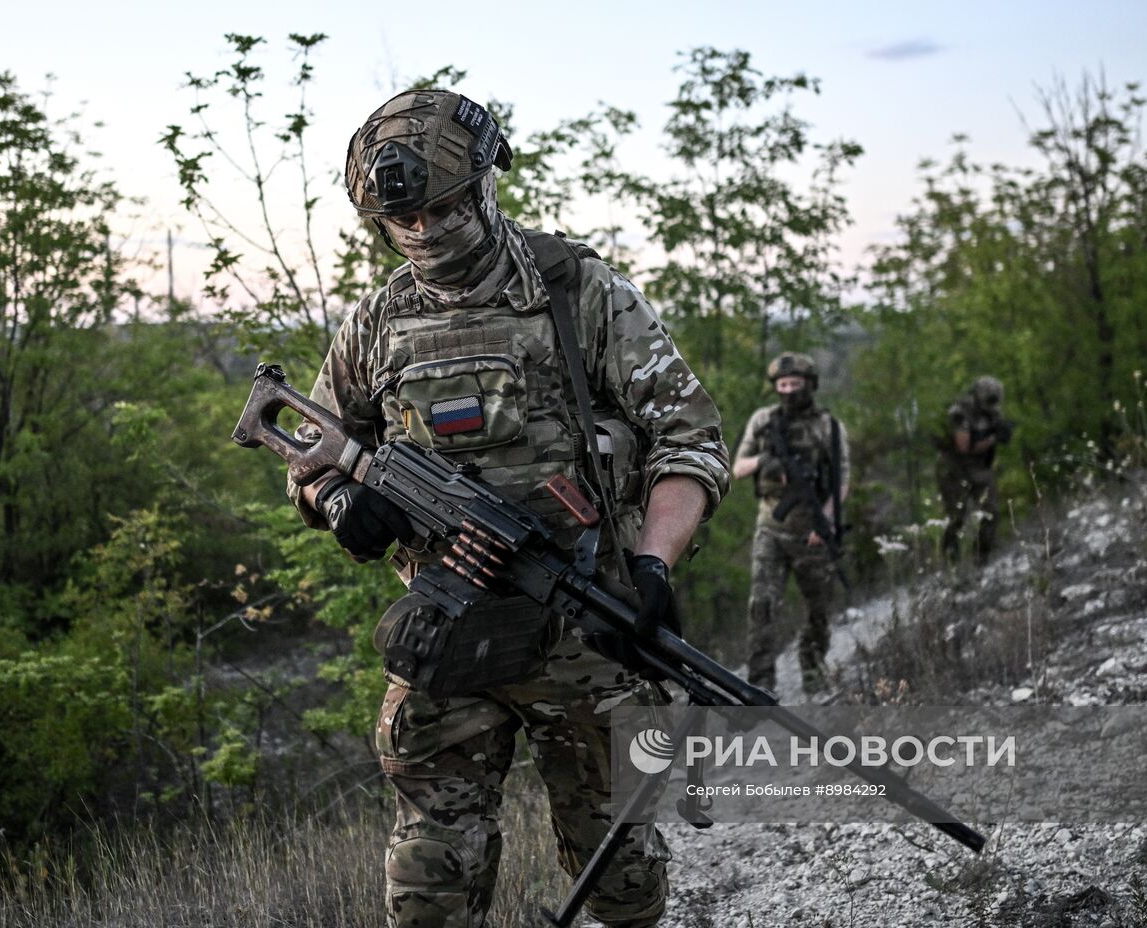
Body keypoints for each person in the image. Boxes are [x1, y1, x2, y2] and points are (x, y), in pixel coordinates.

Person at [285, 89, 729, 928]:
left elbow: (689, 438)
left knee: (622, 868)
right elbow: (310, 449)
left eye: (444, 208)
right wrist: (340, 498)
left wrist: (652, 565)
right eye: (400, 218)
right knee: (429, 873)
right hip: (448, 632)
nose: (422, 231)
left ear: (489, 182)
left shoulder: (580, 292)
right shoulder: (377, 322)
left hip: (585, 629)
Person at [731, 352, 849, 694]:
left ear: (809, 385)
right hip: (770, 527)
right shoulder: (763, 421)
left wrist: (824, 523)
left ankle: (813, 672)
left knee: (819, 610)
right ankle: (760, 685)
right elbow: (738, 469)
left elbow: (841, 482)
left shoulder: (828, 427)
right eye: (782, 385)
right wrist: (767, 459)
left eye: (795, 384)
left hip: (811, 532)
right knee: (762, 606)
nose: (789, 391)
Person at [936, 375, 1014, 565]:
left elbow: (997, 429)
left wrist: (1002, 433)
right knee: (956, 518)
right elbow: (964, 447)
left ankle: (981, 559)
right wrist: (992, 439)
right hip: (954, 469)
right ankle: (950, 564)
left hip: (979, 467)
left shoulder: (992, 412)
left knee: (991, 512)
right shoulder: (960, 412)